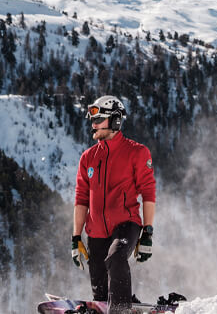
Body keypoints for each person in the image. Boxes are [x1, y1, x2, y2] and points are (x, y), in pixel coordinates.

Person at [71, 95, 156, 314]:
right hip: (96, 232)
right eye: (93, 120)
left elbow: (148, 193)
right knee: (101, 296)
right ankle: (128, 305)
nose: (93, 125)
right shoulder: (88, 158)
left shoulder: (136, 152)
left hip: (126, 225)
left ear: (116, 121)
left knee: (116, 258)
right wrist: (76, 238)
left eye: (99, 120)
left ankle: (122, 311)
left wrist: (147, 233)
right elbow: (81, 199)